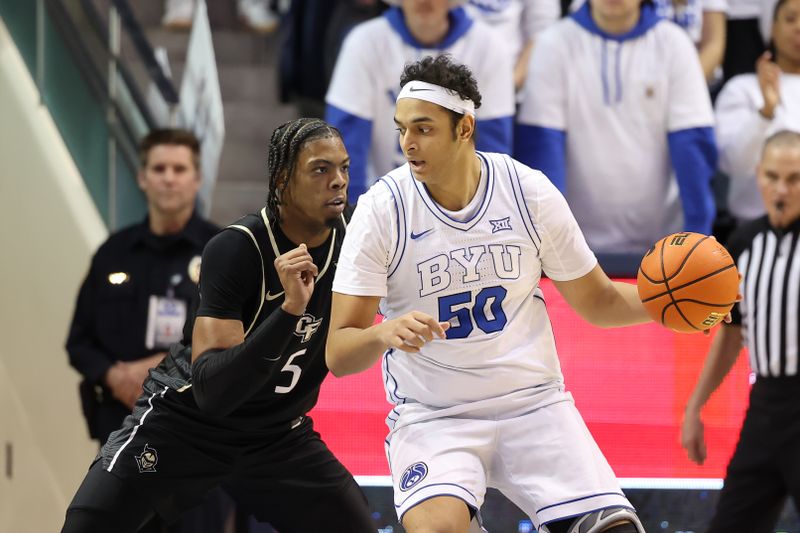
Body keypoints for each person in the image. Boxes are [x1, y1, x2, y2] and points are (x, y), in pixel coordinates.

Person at [326, 54, 652, 533]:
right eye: (401, 130)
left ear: (464, 128)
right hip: (435, 417)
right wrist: (383, 334)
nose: (408, 144)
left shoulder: (528, 192)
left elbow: (599, 301)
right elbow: (338, 352)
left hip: (534, 405)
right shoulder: (381, 210)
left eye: (424, 129)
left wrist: (668, 306)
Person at [61, 118, 374, 533]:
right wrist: (288, 313)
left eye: (344, 168)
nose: (338, 181)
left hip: (277, 433)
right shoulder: (237, 247)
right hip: (189, 425)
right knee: (89, 522)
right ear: (282, 178)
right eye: (320, 169)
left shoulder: (359, 240)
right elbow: (213, 391)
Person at [65, 128, 227, 533]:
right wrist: (114, 375)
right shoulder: (113, 253)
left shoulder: (224, 250)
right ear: (142, 177)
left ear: (196, 178)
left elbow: (233, 340)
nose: (168, 177)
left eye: (179, 168)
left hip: (193, 442)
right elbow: (79, 341)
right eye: (159, 168)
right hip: (119, 438)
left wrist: (157, 372)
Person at [515, 0, 717, 255]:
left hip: (664, 244)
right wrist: (556, 249)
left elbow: (692, 149)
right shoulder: (553, 44)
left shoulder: (674, 44)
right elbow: (542, 150)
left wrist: (696, 242)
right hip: (575, 249)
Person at [681, 130, 800, 532]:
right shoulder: (744, 243)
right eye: (772, 177)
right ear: (757, 176)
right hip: (765, 405)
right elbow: (732, 333)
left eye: (794, 179)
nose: (781, 189)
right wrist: (696, 406)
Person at [325, 0, 516, 201]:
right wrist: (355, 215)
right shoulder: (363, 42)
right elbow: (345, 146)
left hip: (460, 204)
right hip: (380, 202)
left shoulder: (489, 47)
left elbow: (492, 150)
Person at [715, 0, 800, 224]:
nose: (799, 27)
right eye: (790, 19)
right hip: (751, 227)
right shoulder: (742, 88)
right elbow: (732, 163)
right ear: (772, 27)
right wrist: (766, 112)